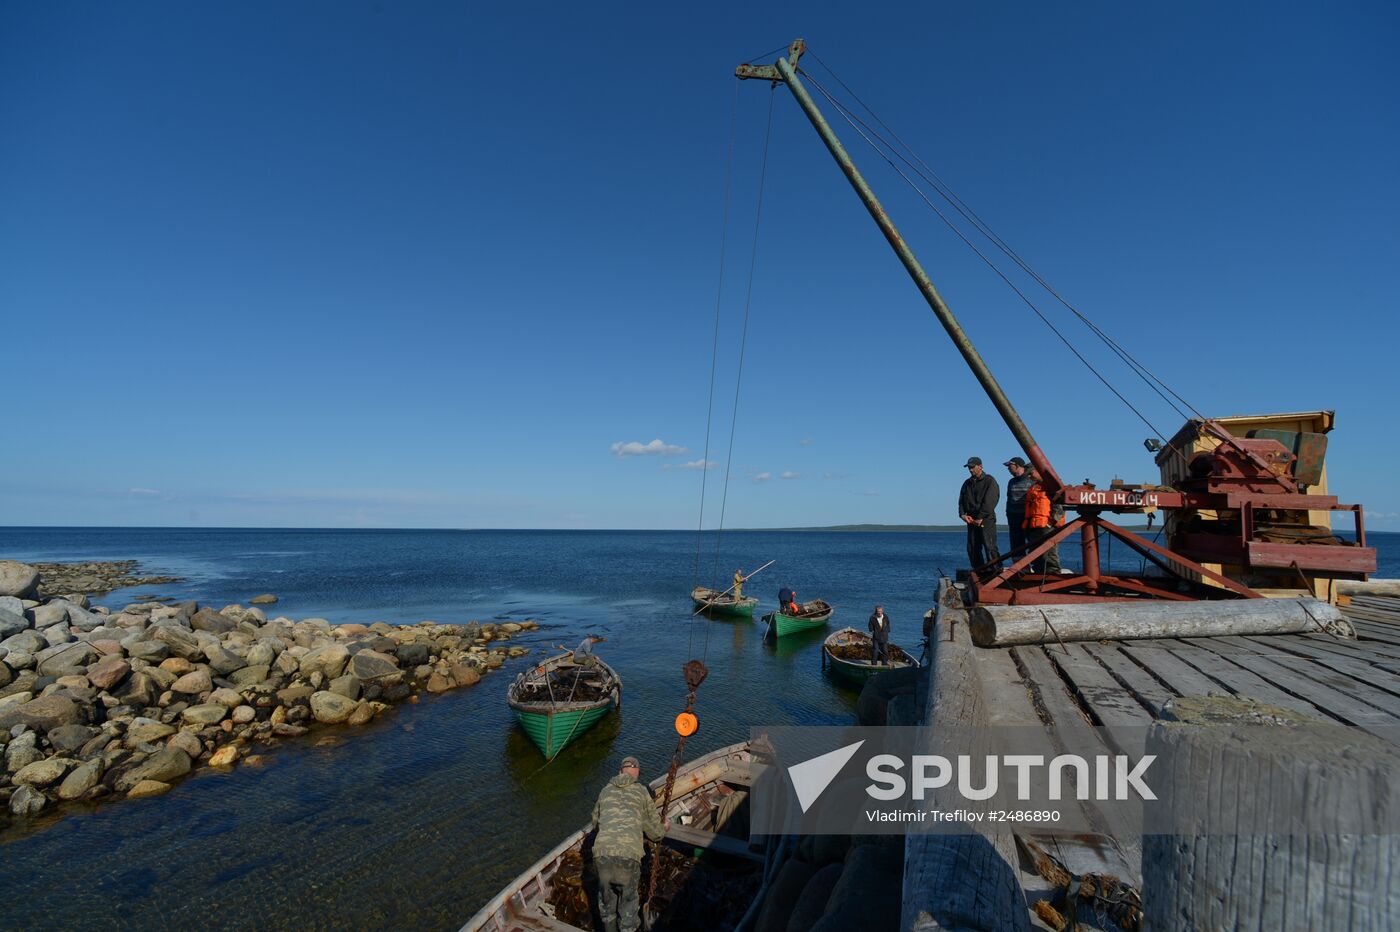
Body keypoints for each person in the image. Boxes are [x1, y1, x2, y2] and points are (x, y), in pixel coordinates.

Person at [592, 755, 665, 932]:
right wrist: (665, 827)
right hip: (628, 857)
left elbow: (595, 823)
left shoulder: (605, 790)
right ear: (637, 774)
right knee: (628, 909)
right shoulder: (641, 792)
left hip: (602, 855)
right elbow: (655, 834)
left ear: (620, 772)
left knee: (607, 907)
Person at [958, 456, 1002, 574]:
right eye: (969, 467)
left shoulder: (989, 481)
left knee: (990, 546)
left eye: (972, 467)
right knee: (972, 548)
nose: (970, 470)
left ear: (980, 467)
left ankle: (996, 571)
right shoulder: (967, 483)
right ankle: (980, 571)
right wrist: (962, 515)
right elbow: (961, 500)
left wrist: (980, 517)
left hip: (986, 520)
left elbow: (990, 501)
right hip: (971, 520)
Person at [1023, 466, 1063, 574]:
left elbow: (1059, 506)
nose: (1030, 476)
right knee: (1036, 554)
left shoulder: (1052, 486)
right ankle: (1039, 576)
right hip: (1034, 526)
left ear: (1037, 470)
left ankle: (1053, 577)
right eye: (1028, 475)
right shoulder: (1034, 487)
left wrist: (1051, 523)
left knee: (1049, 554)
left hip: (1047, 526)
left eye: (1031, 473)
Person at [1003, 457, 1033, 559]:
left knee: (1032, 543)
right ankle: (1019, 569)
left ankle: (1036, 567)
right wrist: (1008, 513)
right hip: (1014, 518)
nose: (1008, 469)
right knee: (1016, 545)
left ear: (1017, 466)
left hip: (1028, 517)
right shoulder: (1011, 482)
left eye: (1009, 466)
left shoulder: (1031, 480)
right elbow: (1009, 498)